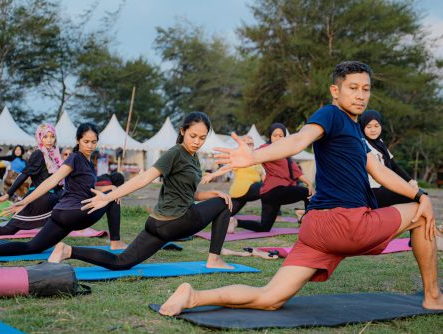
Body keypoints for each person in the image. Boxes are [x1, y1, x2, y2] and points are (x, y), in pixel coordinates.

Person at [159, 61, 442, 316]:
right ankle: (432, 296)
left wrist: (417, 193)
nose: (360, 95)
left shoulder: (355, 131)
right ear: (335, 90)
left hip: (315, 229)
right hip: (346, 223)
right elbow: (299, 140)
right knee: (420, 215)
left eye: (365, 89)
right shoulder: (331, 115)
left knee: (269, 298)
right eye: (353, 88)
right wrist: (254, 156)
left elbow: (380, 171)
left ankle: (193, 296)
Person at [47, 112, 234, 270]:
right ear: (183, 131)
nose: (197, 142)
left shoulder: (193, 158)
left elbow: (188, 193)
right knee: (224, 204)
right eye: (193, 136)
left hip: (158, 223)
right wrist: (108, 197)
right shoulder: (175, 153)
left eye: (202, 138)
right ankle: (214, 259)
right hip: (174, 221)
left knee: (121, 262)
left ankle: (68, 251)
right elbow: (144, 178)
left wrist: (211, 194)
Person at [0, 123, 126, 258]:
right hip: (75, 212)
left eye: (93, 142)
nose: (90, 145)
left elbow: (88, 187)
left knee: (32, 247)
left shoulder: (88, 163)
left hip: (61, 213)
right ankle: (115, 241)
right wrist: (24, 201)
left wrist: (108, 187)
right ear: (78, 141)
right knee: (113, 198)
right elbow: (52, 180)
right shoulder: (74, 157)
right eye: (86, 141)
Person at [226, 123, 314, 233]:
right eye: (275, 135)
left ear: (285, 137)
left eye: (280, 136)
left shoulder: (286, 153)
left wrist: (309, 183)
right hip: (273, 190)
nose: (277, 138)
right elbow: (253, 154)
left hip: (269, 195)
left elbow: (296, 171)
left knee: (264, 227)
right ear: (270, 137)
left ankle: (236, 222)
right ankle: (308, 224)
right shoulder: (266, 149)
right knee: (306, 193)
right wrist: (244, 150)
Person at [359, 110, 418, 207]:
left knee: (418, 193)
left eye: (376, 126)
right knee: (414, 195)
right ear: (362, 127)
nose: (373, 130)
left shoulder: (380, 143)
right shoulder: (362, 144)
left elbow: (394, 165)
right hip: (372, 190)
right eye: (368, 127)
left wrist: (410, 181)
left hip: (385, 186)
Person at [201, 135, 265, 219]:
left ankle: (216, 218)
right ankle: (206, 215)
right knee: (266, 189)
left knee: (228, 213)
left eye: (251, 143)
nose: (249, 144)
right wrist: (212, 175)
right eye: (247, 143)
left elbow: (263, 176)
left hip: (249, 191)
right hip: (241, 190)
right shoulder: (240, 158)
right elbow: (225, 169)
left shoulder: (257, 159)